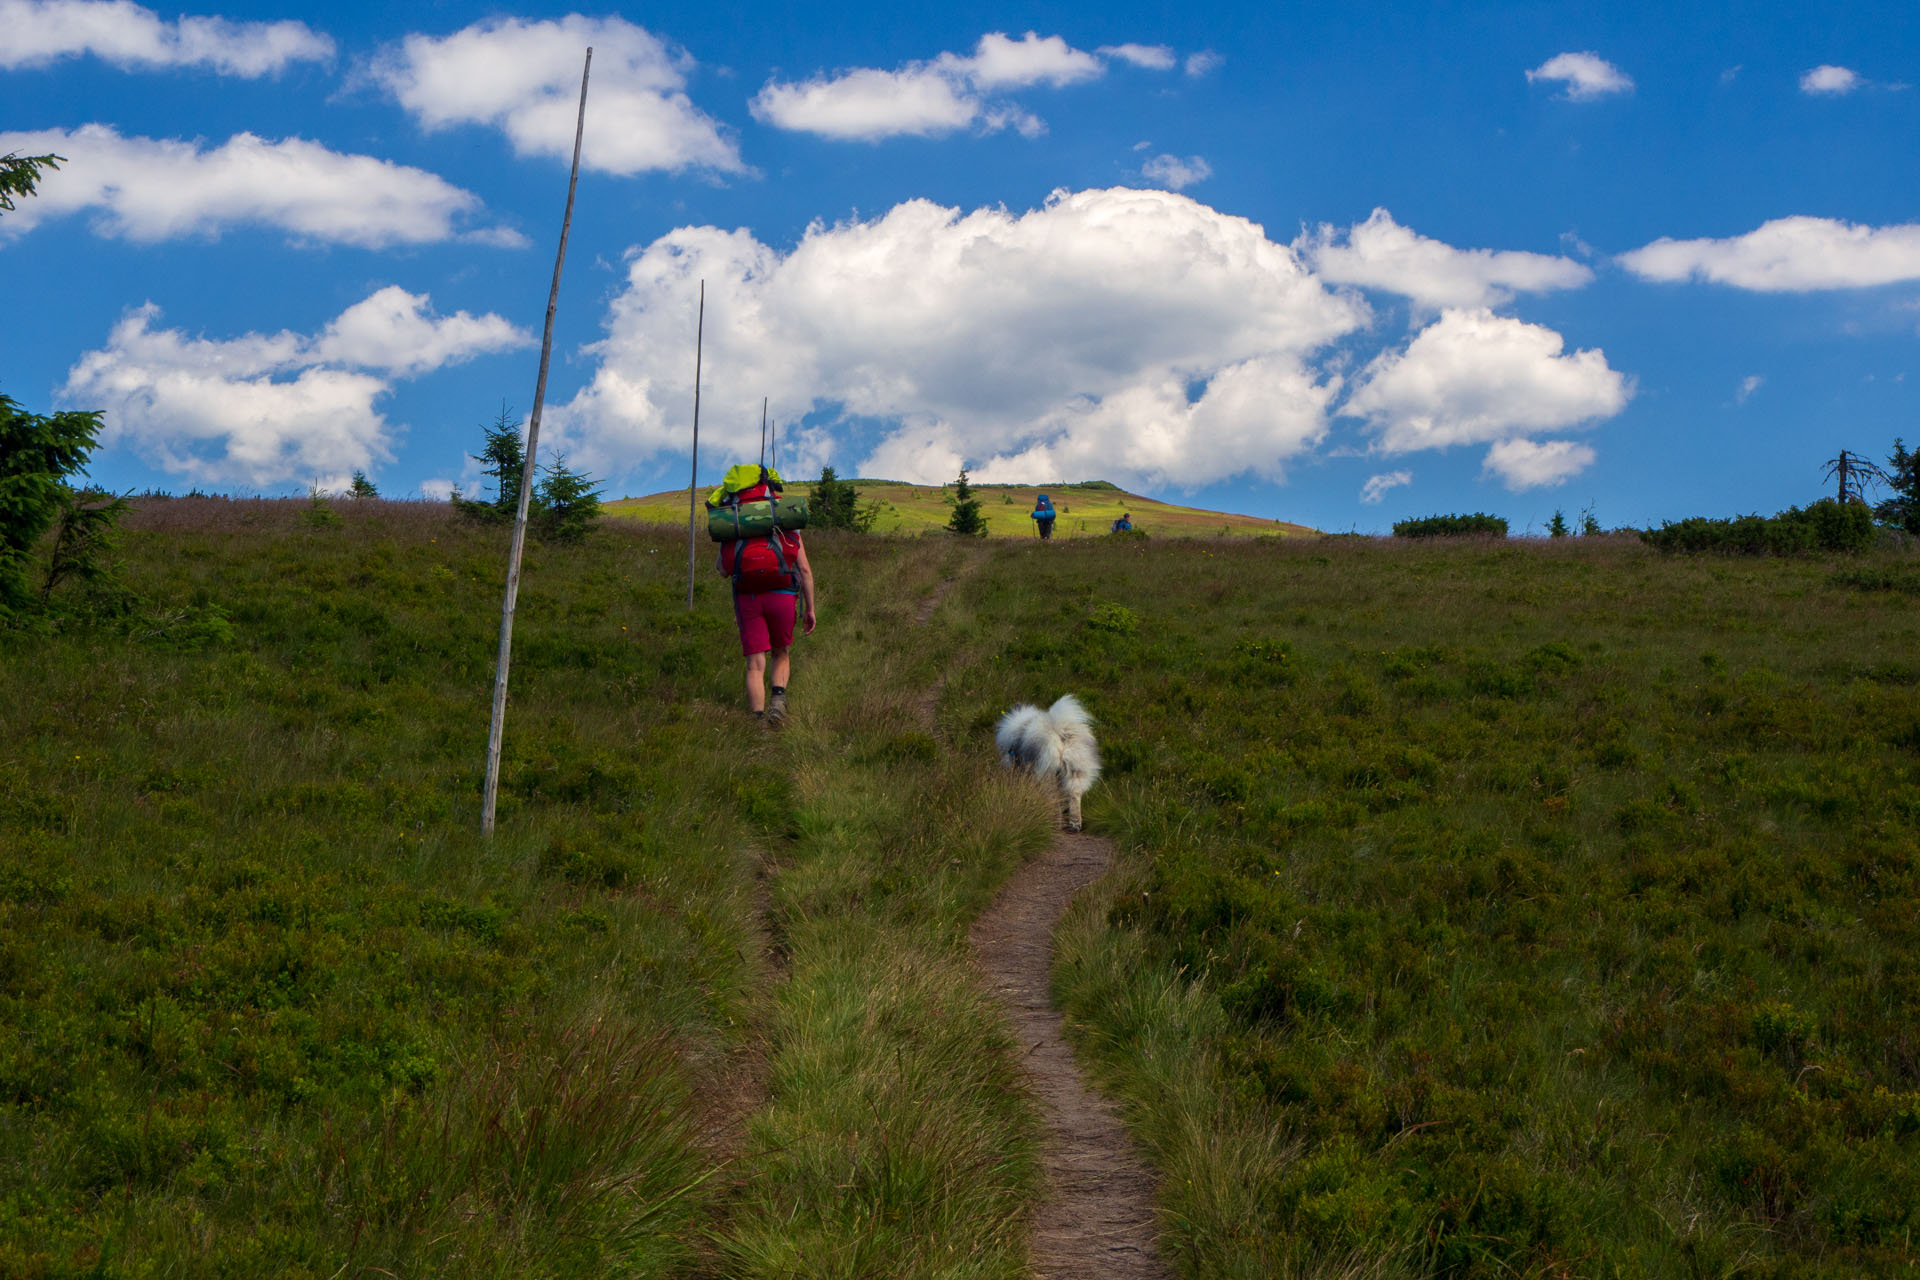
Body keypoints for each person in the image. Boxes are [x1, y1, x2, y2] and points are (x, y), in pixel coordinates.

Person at [717, 527, 816, 725]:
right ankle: (777, 702)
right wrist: (810, 609)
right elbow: (804, 569)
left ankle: (757, 721)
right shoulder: (787, 524)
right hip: (783, 596)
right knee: (781, 652)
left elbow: (721, 569)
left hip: (749, 599)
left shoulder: (736, 525)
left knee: (754, 664)